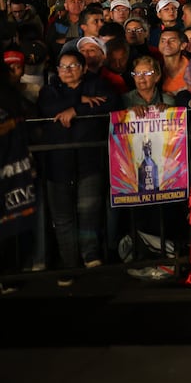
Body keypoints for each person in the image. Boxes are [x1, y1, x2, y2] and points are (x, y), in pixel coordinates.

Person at [39, 50, 116, 284]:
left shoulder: (98, 84)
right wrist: (79, 101)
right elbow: (46, 108)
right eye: (63, 67)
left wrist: (76, 110)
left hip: (89, 161)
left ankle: (90, 255)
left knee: (89, 211)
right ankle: (69, 263)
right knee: (62, 218)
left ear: (83, 68)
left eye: (72, 66)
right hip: (57, 163)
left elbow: (110, 103)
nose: (67, 71)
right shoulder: (49, 89)